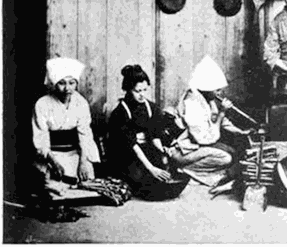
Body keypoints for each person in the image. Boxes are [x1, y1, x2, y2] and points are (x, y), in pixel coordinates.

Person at [168, 56, 252, 187]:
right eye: (217, 89)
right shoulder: (192, 102)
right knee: (225, 158)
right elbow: (205, 139)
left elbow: (222, 122)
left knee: (232, 152)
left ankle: (199, 172)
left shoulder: (207, 99)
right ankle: (184, 171)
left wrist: (241, 132)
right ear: (206, 87)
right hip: (182, 151)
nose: (220, 93)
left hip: (194, 146)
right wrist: (222, 112)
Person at [32, 57, 100, 197]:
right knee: (51, 180)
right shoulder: (42, 104)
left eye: (71, 83)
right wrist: (53, 161)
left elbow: (85, 134)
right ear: (54, 84)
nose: (67, 88)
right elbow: (41, 137)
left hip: (75, 153)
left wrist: (83, 162)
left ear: (76, 83)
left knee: (85, 180)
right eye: (62, 83)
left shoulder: (81, 103)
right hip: (52, 154)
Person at [107, 64, 173, 198]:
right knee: (141, 177)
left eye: (144, 90)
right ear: (128, 89)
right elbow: (131, 144)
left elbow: (154, 134)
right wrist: (151, 168)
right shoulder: (120, 112)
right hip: (126, 152)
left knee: (163, 169)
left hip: (146, 147)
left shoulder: (151, 107)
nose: (142, 95)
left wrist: (162, 150)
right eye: (138, 91)